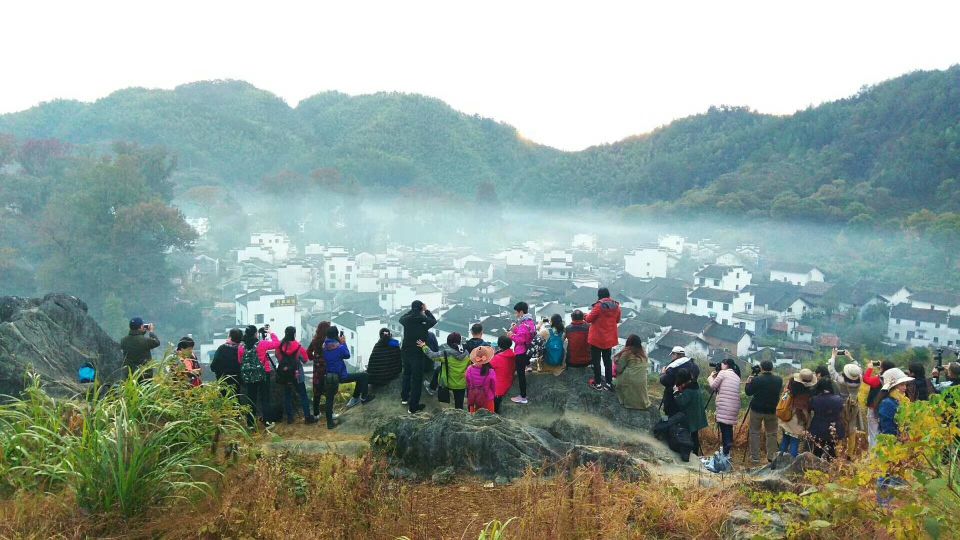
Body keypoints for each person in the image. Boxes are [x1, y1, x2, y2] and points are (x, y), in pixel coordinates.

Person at [323, 326, 376, 412]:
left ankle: (355, 399)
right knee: (364, 375)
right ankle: (363, 398)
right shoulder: (339, 347)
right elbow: (347, 355)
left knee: (359, 377)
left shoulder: (324, 347)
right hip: (341, 375)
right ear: (336, 335)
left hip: (330, 376)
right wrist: (343, 343)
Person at [399, 300, 437, 414]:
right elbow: (433, 321)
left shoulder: (406, 320)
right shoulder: (424, 320)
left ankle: (404, 398)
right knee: (417, 379)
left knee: (406, 373)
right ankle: (413, 406)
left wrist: (414, 309)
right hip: (418, 352)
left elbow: (401, 318)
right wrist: (426, 310)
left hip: (406, 350)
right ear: (421, 308)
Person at [276, 326, 318, 425]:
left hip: (285, 374)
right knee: (303, 395)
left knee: (287, 395)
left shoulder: (279, 346)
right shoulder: (298, 346)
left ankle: (290, 418)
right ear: (294, 334)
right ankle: (307, 417)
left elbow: (278, 358)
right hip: (297, 374)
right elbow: (305, 359)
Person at [744, 360, 783, 464]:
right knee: (772, 434)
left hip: (757, 409)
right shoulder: (779, 380)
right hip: (772, 410)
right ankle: (771, 457)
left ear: (761, 368)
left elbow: (748, 392)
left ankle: (755, 458)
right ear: (772, 368)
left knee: (754, 432)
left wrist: (748, 382)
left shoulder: (757, 380)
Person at [419, 333, 471, 410]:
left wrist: (424, 346)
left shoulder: (446, 353)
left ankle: (431, 389)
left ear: (449, 343)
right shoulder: (467, 353)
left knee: (438, 369)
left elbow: (432, 355)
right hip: (461, 384)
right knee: (459, 406)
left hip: (447, 383)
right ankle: (459, 417)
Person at [826, 348, 863, 456]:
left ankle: (839, 452)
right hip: (854, 405)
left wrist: (833, 356)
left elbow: (831, 370)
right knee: (852, 428)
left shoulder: (842, 381)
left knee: (840, 427)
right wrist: (850, 357)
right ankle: (850, 453)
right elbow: (859, 369)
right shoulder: (859, 380)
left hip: (842, 406)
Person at [239, 325, 277, 425]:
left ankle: (251, 423)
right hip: (264, 374)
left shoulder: (241, 347)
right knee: (265, 398)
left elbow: (240, 360)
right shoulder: (262, 344)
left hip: (249, 376)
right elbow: (277, 344)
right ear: (256, 334)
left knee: (251, 398)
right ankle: (267, 421)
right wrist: (271, 333)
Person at [585, 287, 621, 391]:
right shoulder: (616, 306)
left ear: (599, 295)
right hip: (609, 339)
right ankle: (609, 383)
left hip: (597, 338)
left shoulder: (599, 306)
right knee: (607, 361)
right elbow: (617, 320)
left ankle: (598, 383)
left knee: (596, 361)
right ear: (608, 295)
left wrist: (585, 316)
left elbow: (588, 319)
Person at [777, 368, 817, 458]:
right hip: (801, 417)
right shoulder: (811, 391)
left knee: (785, 439)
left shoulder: (792, 385)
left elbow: (785, 394)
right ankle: (791, 465)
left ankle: (778, 461)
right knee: (794, 441)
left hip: (789, 414)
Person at [707, 358, 742, 456]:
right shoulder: (737, 376)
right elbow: (723, 387)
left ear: (725, 365)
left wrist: (710, 377)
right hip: (734, 405)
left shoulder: (723, 373)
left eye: (722, 364)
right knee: (728, 426)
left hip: (724, 404)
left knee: (723, 425)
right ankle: (728, 447)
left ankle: (726, 447)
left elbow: (714, 386)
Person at [808, 378, 846, 460]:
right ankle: (832, 469)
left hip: (818, 428)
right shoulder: (839, 399)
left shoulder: (814, 399)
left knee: (817, 452)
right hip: (834, 428)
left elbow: (810, 409)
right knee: (832, 452)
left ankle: (816, 469)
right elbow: (841, 411)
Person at [674, 368, 708, 457]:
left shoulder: (688, 390)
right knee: (694, 435)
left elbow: (681, 403)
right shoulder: (694, 386)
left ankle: (692, 453)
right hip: (696, 414)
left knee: (691, 436)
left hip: (691, 416)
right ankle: (695, 453)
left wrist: (676, 393)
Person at [508, 302, 537, 404]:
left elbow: (520, 339)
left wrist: (511, 335)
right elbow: (526, 335)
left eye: (516, 312)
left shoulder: (524, 324)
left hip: (521, 352)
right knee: (521, 373)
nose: (516, 314)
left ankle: (523, 397)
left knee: (521, 375)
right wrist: (516, 329)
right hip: (528, 351)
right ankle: (523, 396)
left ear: (521, 312)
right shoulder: (530, 322)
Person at [863, 359, 896, 448]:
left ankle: (874, 455)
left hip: (874, 408)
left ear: (882, 368)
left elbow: (866, 379)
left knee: (874, 433)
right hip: (887, 408)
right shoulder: (894, 380)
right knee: (884, 432)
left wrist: (870, 368)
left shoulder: (878, 380)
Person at [612, 335, 651, 409]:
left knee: (617, 382)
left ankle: (626, 402)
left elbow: (619, 369)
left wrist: (617, 361)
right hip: (642, 380)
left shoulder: (627, 353)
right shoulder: (643, 352)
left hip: (629, 379)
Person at [660, 346, 701, 416]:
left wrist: (663, 373)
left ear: (677, 355)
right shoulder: (694, 365)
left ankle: (666, 425)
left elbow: (665, 381)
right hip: (689, 397)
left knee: (669, 417)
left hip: (672, 399)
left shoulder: (673, 367)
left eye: (673, 354)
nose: (672, 357)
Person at [878, 368, 914, 437]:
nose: (905, 388)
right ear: (893, 387)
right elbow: (888, 430)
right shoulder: (887, 403)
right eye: (901, 385)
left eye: (905, 384)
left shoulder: (903, 400)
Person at [307, 321, 332, 418]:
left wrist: (314, 358)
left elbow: (308, 352)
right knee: (328, 389)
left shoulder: (315, 340)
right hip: (327, 367)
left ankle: (316, 413)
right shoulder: (328, 341)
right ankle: (330, 412)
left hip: (317, 369)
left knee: (317, 391)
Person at [211, 328, 244, 396]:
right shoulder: (242, 349)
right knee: (235, 399)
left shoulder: (222, 348)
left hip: (223, 380)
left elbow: (213, 366)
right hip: (237, 380)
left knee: (224, 400)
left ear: (230, 337)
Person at [465, 345, 496, 413]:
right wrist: (493, 394)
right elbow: (493, 386)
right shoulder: (490, 371)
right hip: (487, 398)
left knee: (474, 419)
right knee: (489, 419)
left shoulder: (469, 369)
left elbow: (468, 384)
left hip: (474, 398)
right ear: (488, 358)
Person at [490, 336, 517, 414]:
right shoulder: (514, 355)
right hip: (508, 383)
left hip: (497, 389)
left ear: (499, 345)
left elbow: (487, 367)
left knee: (494, 410)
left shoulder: (497, 358)